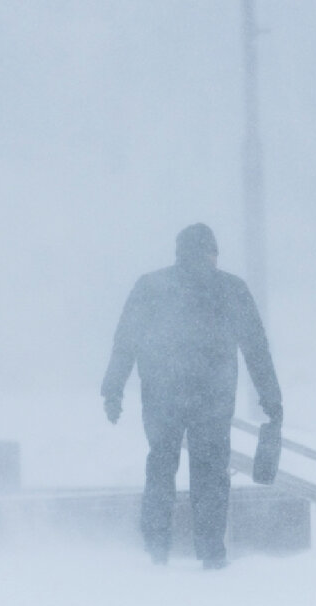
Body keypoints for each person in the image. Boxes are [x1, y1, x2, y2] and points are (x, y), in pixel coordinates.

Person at [101, 223, 282, 569]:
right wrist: (272, 401)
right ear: (212, 252)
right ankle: (212, 552)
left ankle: (156, 550)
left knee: (160, 466)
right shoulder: (231, 289)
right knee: (211, 472)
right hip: (212, 399)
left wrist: (113, 389)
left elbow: (125, 341)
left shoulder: (151, 286)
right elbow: (256, 350)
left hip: (161, 396)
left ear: (178, 252)